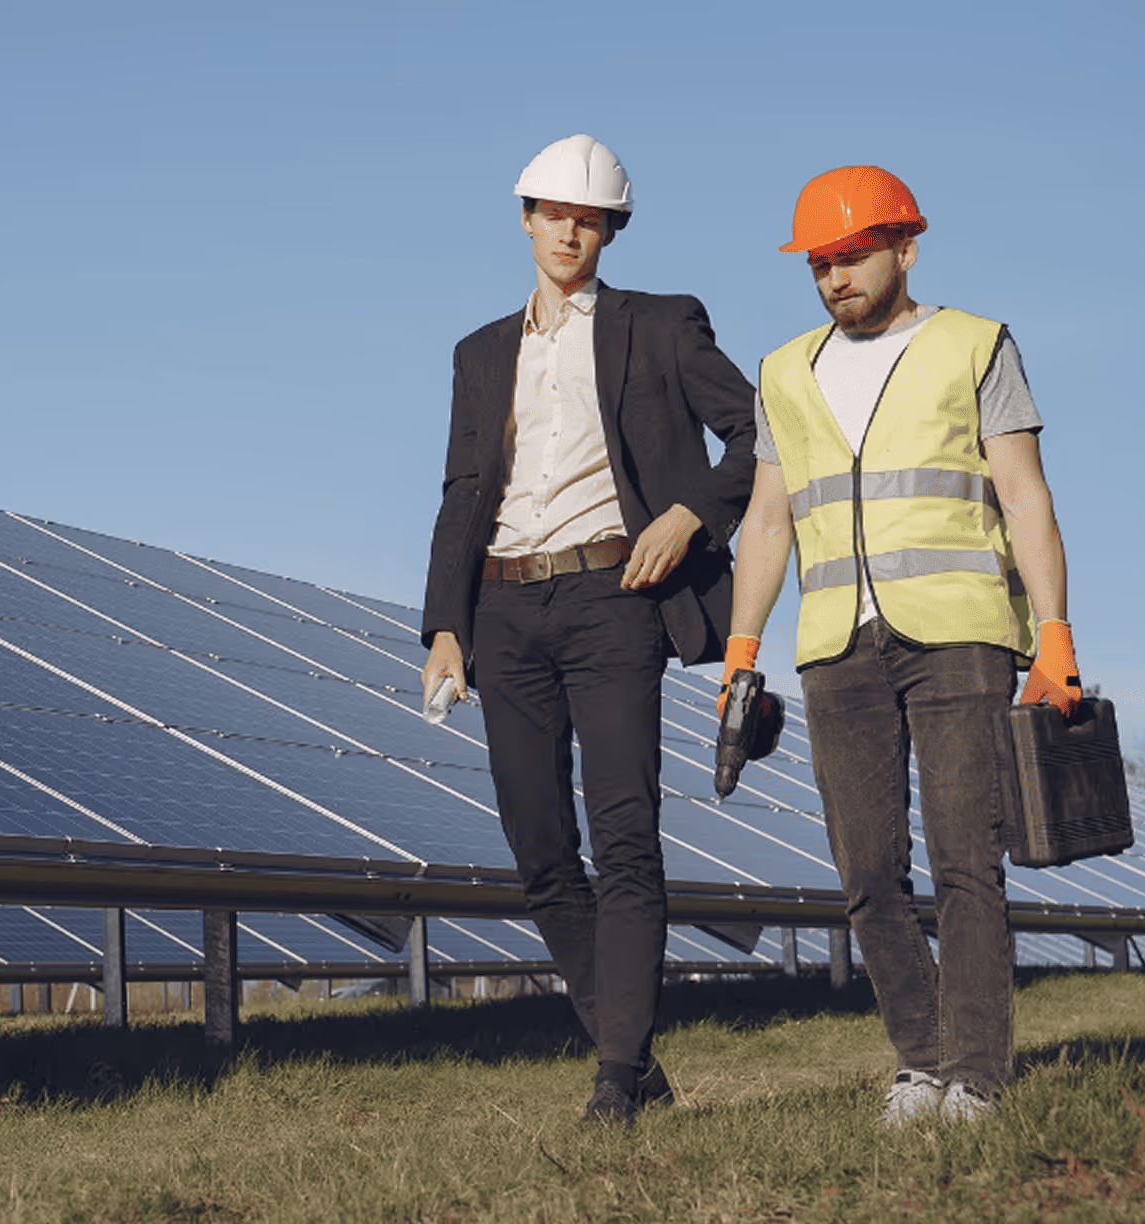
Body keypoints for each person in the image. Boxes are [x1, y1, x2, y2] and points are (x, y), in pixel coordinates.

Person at [724, 165, 1078, 1126]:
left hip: (961, 634)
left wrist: (1055, 634)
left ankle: (978, 1076)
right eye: (820, 264)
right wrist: (741, 649)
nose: (835, 277)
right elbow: (767, 521)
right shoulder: (783, 371)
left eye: (852, 257)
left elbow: (1025, 494)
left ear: (905, 248)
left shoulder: (975, 345)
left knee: (968, 860)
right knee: (867, 872)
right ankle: (921, 1064)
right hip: (836, 645)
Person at [419, 134, 758, 1124]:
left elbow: (758, 428)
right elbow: (459, 491)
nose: (570, 231)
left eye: (590, 218)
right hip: (503, 609)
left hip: (617, 597)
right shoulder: (479, 353)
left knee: (624, 835)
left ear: (610, 229)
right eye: (554, 214)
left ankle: (616, 1074)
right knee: (537, 843)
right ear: (526, 219)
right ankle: (632, 1057)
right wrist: (445, 624)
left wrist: (690, 514)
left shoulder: (661, 326)